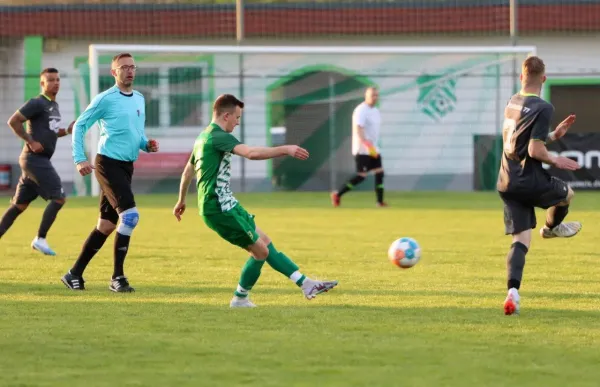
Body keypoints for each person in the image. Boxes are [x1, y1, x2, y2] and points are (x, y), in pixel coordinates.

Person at [173, 94, 338, 308]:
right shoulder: (218, 136)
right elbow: (250, 153)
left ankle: (306, 284)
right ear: (226, 115)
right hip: (219, 209)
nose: (238, 122)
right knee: (260, 252)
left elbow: (188, 170)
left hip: (227, 203)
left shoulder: (203, 137)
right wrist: (284, 149)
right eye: (237, 117)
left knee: (265, 241)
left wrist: (181, 200)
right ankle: (240, 298)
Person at [61, 53, 159, 292]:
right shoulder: (105, 99)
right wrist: (79, 158)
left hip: (126, 167)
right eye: (123, 67)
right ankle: (118, 278)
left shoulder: (139, 98)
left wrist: (146, 144)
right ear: (113, 73)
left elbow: (136, 132)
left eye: (132, 67)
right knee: (130, 217)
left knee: (106, 225)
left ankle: (73, 274)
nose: (129, 71)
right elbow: (80, 125)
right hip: (107, 165)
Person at [497, 55, 582, 316]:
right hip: (528, 179)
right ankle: (550, 228)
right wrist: (555, 159)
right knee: (567, 194)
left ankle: (512, 292)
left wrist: (553, 136)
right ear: (543, 79)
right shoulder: (543, 107)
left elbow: (525, 139)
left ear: (521, 77)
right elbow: (534, 150)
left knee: (520, 241)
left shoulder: (513, 101)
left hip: (507, 181)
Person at [0, 68, 75, 255]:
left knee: (19, 206)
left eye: (58, 79)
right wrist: (30, 141)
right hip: (34, 159)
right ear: (42, 83)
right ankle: (40, 239)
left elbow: (52, 131)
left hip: (36, 161)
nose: (56, 82)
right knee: (59, 197)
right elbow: (13, 121)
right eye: (50, 80)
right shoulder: (37, 103)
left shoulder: (54, 106)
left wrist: (67, 131)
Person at [331, 86, 387, 207]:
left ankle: (380, 202)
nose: (375, 98)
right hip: (362, 149)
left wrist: (373, 146)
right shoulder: (361, 110)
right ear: (366, 96)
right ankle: (338, 194)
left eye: (376, 95)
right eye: (372, 95)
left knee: (379, 173)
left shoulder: (376, 111)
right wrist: (365, 142)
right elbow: (358, 127)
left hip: (373, 148)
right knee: (361, 176)